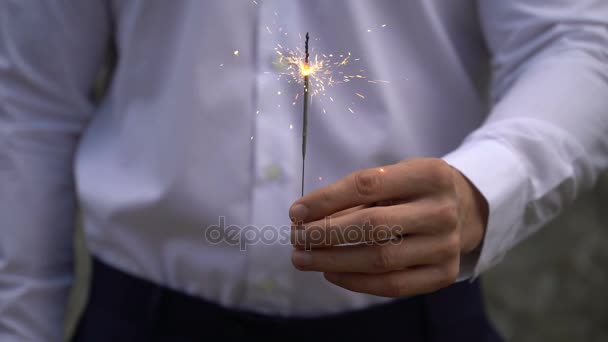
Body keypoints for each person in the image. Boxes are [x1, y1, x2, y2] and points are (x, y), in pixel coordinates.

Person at [1, 1, 607, 341]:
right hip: (142, 321)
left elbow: (576, 39)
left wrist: (487, 186)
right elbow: (30, 99)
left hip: (413, 321)